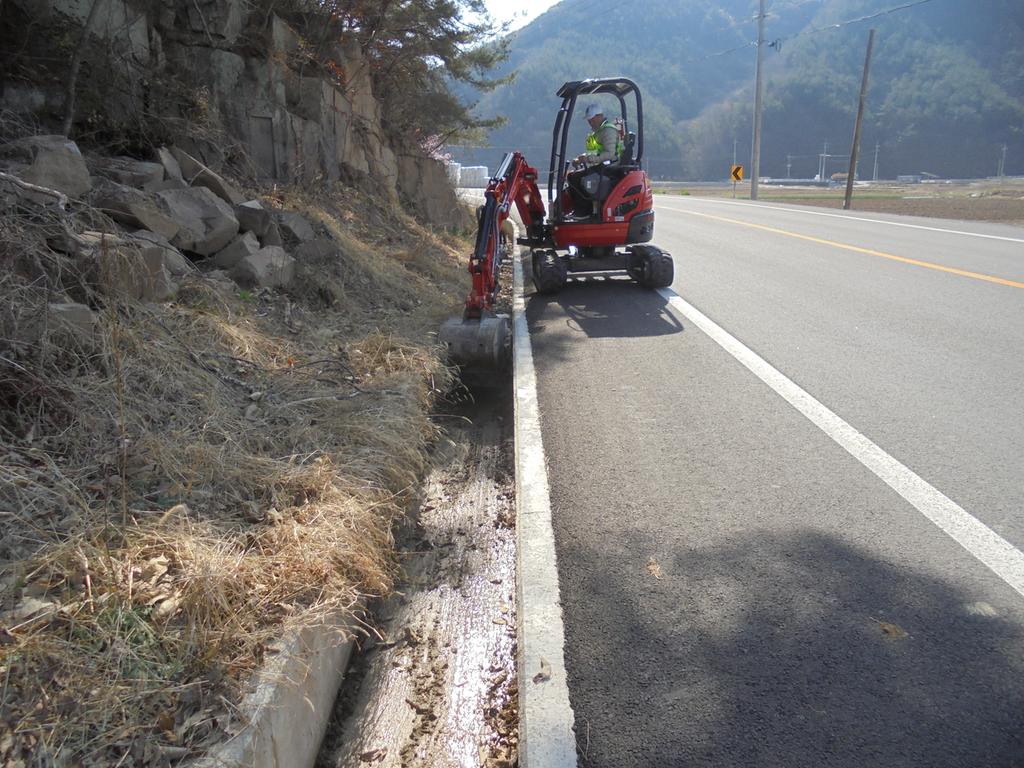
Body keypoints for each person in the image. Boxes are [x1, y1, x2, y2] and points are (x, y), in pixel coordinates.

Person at [567, 103, 623, 216]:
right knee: (572, 176)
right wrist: (581, 159)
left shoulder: (608, 131)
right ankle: (583, 209)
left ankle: (583, 211)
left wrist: (589, 159)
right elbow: (594, 152)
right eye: (588, 120)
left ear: (599, 116)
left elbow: (610, 154)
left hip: (609, 167)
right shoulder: (597, 132)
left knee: (575, 178)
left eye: (591, 119)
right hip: (600, 165)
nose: (590, 122)